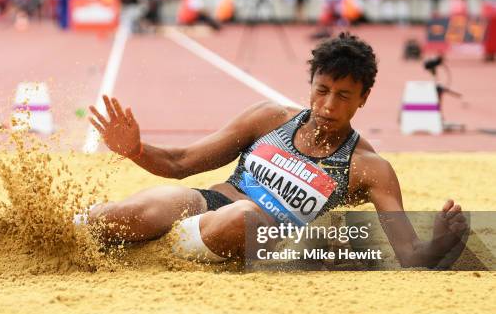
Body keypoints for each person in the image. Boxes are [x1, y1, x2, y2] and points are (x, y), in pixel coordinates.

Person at [83, 32, 467, 268]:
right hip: (210, 202)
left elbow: (409, 253)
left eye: (343, 96)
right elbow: (180, 162)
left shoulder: (369, 168)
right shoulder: (270, 118)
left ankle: (157, 244)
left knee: (246, 215)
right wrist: (134, 149)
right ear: (311, 84)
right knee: (129, 212)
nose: (328, 106)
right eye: (321, 90)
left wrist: (440, 244)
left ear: (363, 99)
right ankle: (71, 230)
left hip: (260, 234)